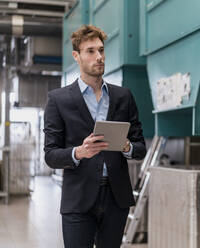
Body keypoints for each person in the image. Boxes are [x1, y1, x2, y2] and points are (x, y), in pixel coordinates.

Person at [43, 24, 146, 248]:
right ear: (76, 56)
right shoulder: (58, 100)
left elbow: (140, 148)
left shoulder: (123, 96)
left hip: (116, 198)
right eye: (91, 51)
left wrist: (126, 145)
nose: (99, 57)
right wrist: (79, 152)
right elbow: (50, 155)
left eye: (101, 50)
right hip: (78, 199)